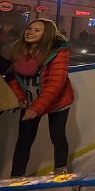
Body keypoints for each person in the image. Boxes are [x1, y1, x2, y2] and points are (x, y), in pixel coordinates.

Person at [4, 19, 74, 177]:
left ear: (46, 34)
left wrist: (36, 109)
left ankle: (60, 171)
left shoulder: (58, 53)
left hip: (57, 101)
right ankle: (16, 177)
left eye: (37, 30)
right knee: (24, 140)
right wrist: (21, 97)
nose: (30, 32)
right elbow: (11, 77)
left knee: (57, 135)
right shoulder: (18, 50)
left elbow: (55, 84)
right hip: (30, 101)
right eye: (29, 28)